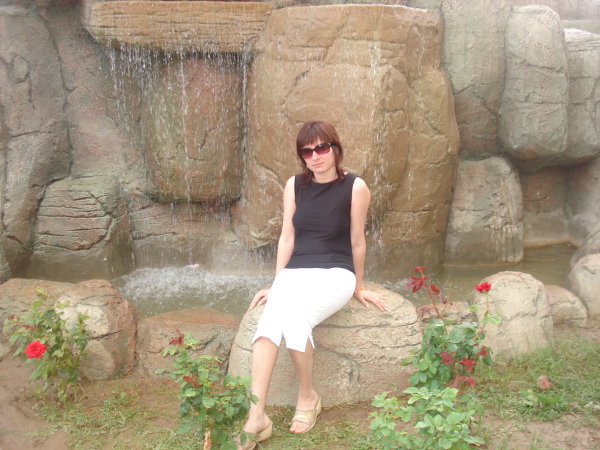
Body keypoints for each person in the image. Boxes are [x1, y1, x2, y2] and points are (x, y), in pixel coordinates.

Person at [238, 121, 387, 450]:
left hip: (336, 271)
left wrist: (359, 286)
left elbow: (357, 240)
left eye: (321, 148)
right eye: (307, 151)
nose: (315, 156)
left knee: (296, 320)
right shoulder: (294, 185)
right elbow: (287, 237)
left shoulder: (355, 187)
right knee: (268, 323)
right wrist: (277, 283)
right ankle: (256, 415)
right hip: (296, 271)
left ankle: (307, 396)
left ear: (335, 148)